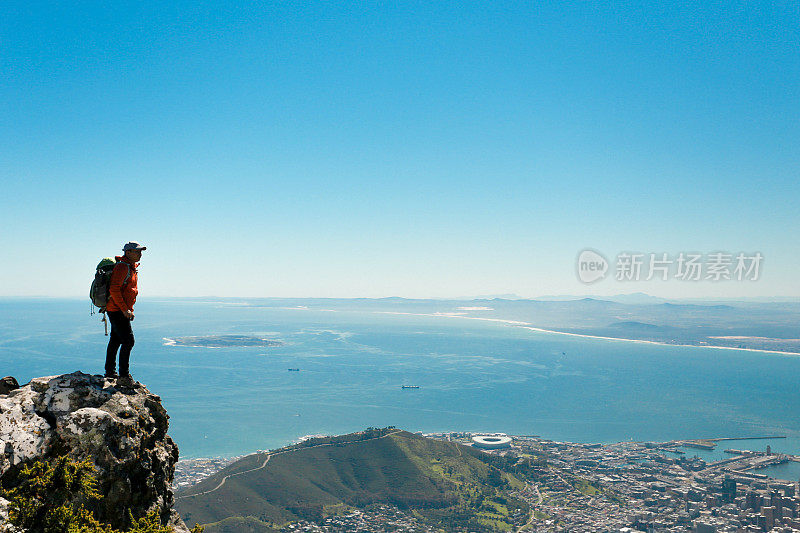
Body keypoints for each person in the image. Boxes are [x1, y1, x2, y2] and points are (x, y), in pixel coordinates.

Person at [105, 242, 146, 382]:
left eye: (140, 251)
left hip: (118, 309)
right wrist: (125, 309)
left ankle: (110, 372)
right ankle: (123, 376)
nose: (140, 254)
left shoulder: (130, 267)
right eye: (137, 251)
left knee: (115, 340)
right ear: (128, 252)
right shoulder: (123, 267)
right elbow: (114, 289)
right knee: (128, 341)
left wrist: (128, 309)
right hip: (117, 310)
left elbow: (127, 291)